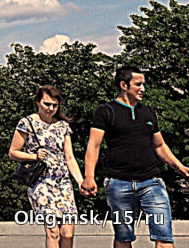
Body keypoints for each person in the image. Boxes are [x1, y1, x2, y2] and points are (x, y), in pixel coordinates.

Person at [81, 66, 189, 248]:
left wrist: (180, 167)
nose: (143, 89)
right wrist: (89, 177)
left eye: (144, 84)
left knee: (164, 236)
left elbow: (159, 145)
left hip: (151, 183)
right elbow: (94, 145)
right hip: (119, 184)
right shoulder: (106, 111)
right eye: (138, 84)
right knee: (124, 238)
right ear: (124, 85)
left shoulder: (148, 112)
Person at [9, 85, 84, 248]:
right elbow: (13, 152)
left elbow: (69, 157)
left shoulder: (63, 126)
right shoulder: (27, 123)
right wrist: (33, 156)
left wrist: (80, 181)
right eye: (47, 104)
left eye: (54, 105)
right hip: (41, 182)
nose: (51, 108)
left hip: (63, 183)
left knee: (68, 233)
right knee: (53, 232)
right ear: (38, 102)